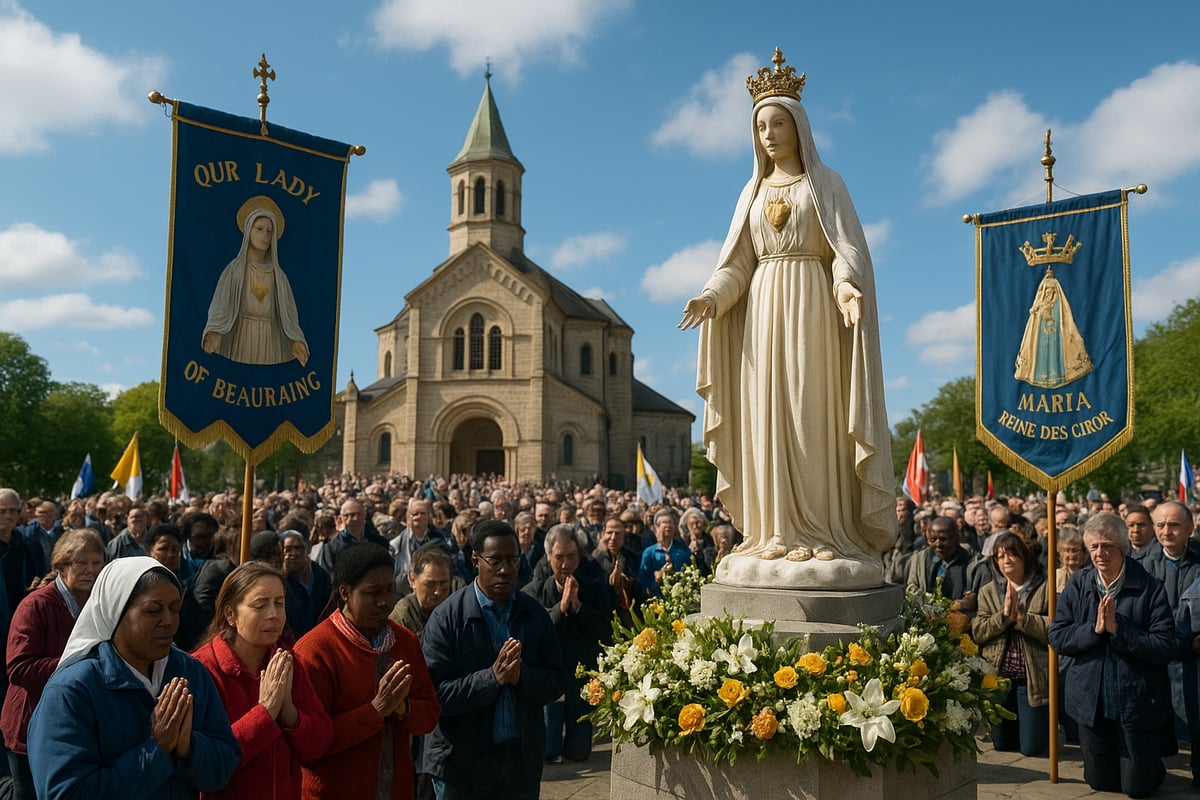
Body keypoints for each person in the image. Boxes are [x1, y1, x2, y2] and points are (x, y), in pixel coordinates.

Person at [678, 49, 893, 589]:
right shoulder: (750, 193)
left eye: (778, 123)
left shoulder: (826, 184)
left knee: (808, 414)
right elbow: (738, 264)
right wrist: (711, 297)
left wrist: (847, 287)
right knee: (765, 417)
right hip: (763, 313)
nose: (769, 134)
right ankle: (772, 530)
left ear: (798, 126)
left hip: (813, 308)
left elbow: (845, 250)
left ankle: (821, 531)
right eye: (760, 126)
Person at [27, 557, 239, 800]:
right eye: (153, 610)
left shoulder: (190, 673)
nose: (169, 621)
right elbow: (64, 793)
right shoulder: (72, 690)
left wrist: (188, 748)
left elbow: (224, 765)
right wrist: (156, 750)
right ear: (115, 613)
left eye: (174, 608)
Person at [421, 519, 565, 799]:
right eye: (495, 560)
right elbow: (433, 695)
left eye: (512, 560)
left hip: (520, 767)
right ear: (475, 560)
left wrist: (521, 677)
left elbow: (556, 681)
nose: (505, 569)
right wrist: (492, 678)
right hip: (461, 769)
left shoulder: (534, 614)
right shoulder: (448, 617)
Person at [294, 543, 440, 800]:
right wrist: (376, 710)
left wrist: (404, 709)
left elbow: (429, 714)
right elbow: (310, 741)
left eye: (390, 590)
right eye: (372, 592)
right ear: (344, 592)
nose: (384, 601)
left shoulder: (405, 642)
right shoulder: (314, 651)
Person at [1049, 512, 1175, 797]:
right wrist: (1093, 631)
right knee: (1100, 782)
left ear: (1122, 548)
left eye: (1107, 546)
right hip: (1090, 701)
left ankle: (1150, 767)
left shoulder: (1150, 588)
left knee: (1136, 788)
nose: (1099, 553)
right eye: (1093, 546)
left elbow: (1165, 646)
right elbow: (1057, 635)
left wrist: (1120, 630)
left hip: (1136, 702)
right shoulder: (1079, 584)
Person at [192, 562, 333, 800]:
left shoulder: (287, 662)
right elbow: (207, 764)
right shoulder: (203, 670)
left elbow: (318, 746)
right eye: (260, 605)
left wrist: (290, 714)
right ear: (230, 614)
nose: (274, 615)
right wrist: (265, 714)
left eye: (280, 603)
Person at [3, 529, 105, 800]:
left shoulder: (100, 604)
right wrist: (80, 664)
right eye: (81, 562)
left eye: (96, 562)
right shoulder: (35, 605)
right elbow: (19, 669)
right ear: (60, 565)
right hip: (30, 722)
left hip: (76, 724)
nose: (90, 570)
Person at [524, 526, 610, 763]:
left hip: (580, 670)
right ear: (548, 557)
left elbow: (605, 630)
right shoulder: (535, 588)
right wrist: (560, 610)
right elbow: (533, 631)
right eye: (559, 557)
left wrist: (579, 608)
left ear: (579, 557)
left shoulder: (594, 583)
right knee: (548, 750)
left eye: (571, 557)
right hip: (549, 670)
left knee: (578, 751)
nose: (565, 564)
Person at [971, 532, 1051, 756]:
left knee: (1031, 749)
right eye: (1000, 556)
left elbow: (1054, 629)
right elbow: (978, 631)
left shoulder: (1045, 587)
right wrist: (1004, 617)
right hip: (999, 676)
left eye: (1011, 554)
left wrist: (1022, 619)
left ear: (1024, 556)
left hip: (1032, 677)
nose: (1006, 560)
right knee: (1002, 745)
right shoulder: (988, 591)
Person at [202, 199, 308, 366]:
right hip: (242, 338)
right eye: (259, 229)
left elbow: (289, 316)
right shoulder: (234, 270)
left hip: (270, 341)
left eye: (269, 231)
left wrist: (296, 340)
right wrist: (214, 332)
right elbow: (220, 307)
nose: (265, 236)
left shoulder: (279, 276)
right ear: (248, 231)